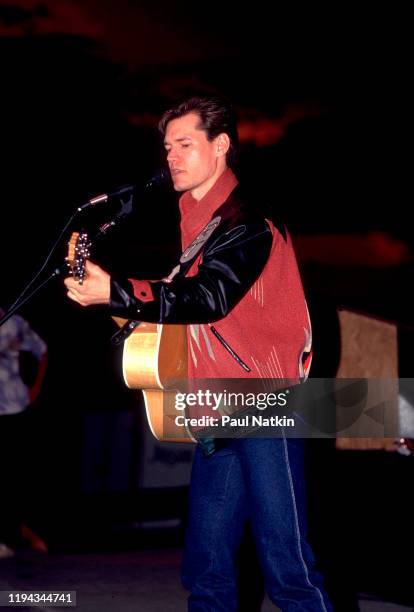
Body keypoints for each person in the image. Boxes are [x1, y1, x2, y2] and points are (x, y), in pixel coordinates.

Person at [64, 95, 332, 611]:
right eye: (168, 147)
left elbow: (209, 298)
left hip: (267, 401)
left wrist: (116, 290)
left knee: (289, 567)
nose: (172, 157)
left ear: (221, 146)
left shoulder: (247, 224)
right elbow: (183, 306)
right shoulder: (199, 228)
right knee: (206, 567)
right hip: (219, 402)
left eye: (186, 144)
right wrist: (110, 298)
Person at [0, 309, 48, 557]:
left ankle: (13, 537)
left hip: (12, 407)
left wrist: (35, 389)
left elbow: (42, 351)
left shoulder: (15, 323)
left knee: (12, 474)